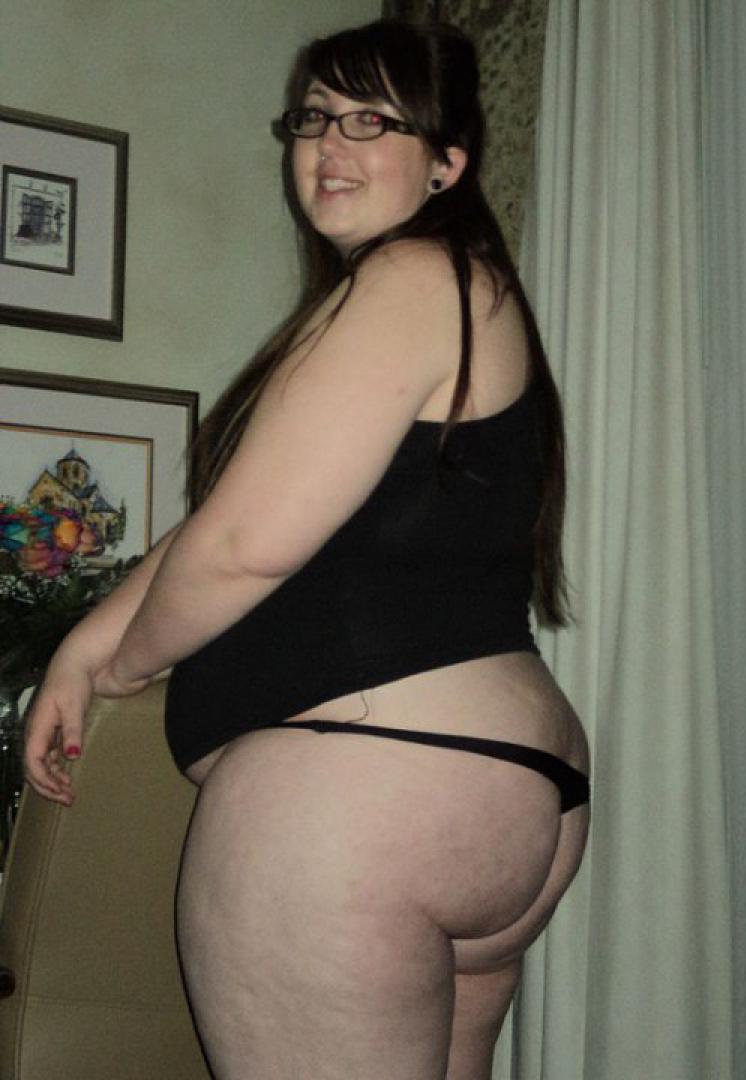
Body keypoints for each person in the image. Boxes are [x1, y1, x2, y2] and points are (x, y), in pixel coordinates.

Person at [24, 18, 590, 1080]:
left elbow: (246, 546)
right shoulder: (451, 291)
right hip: (503, 791)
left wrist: (131, 668)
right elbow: (235, 519)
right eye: (316, 117)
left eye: (373, 120)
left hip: (357, 795)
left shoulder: (410, 278)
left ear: (447, 162)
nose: (331, 143)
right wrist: (85, 649)